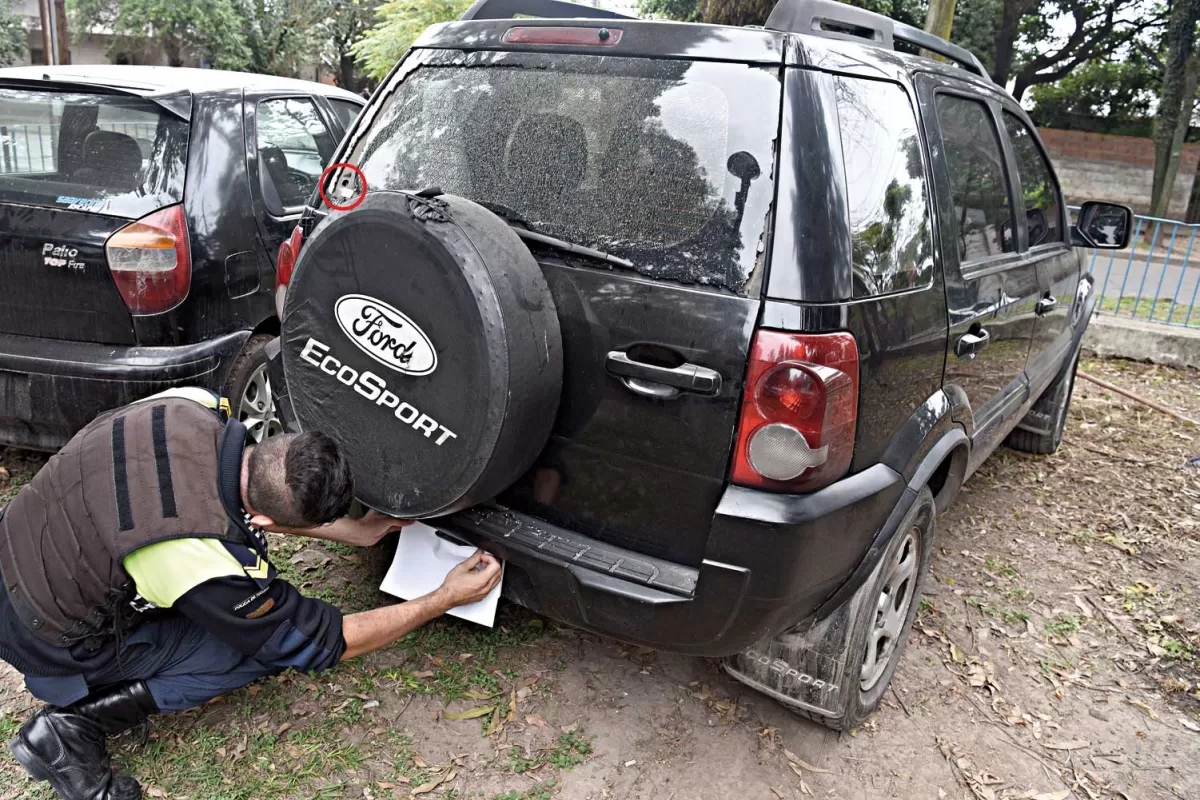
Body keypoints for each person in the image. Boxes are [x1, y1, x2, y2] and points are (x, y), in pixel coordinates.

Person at [0, 388, 501, 800]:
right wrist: (442, 597)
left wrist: (355, 530)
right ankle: (70, 729)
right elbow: (325, 642)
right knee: (256, 652)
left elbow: (236, 496)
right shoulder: (189, 555)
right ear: (262, 521)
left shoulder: (193, 405)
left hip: (22, 550)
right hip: (49, 636)